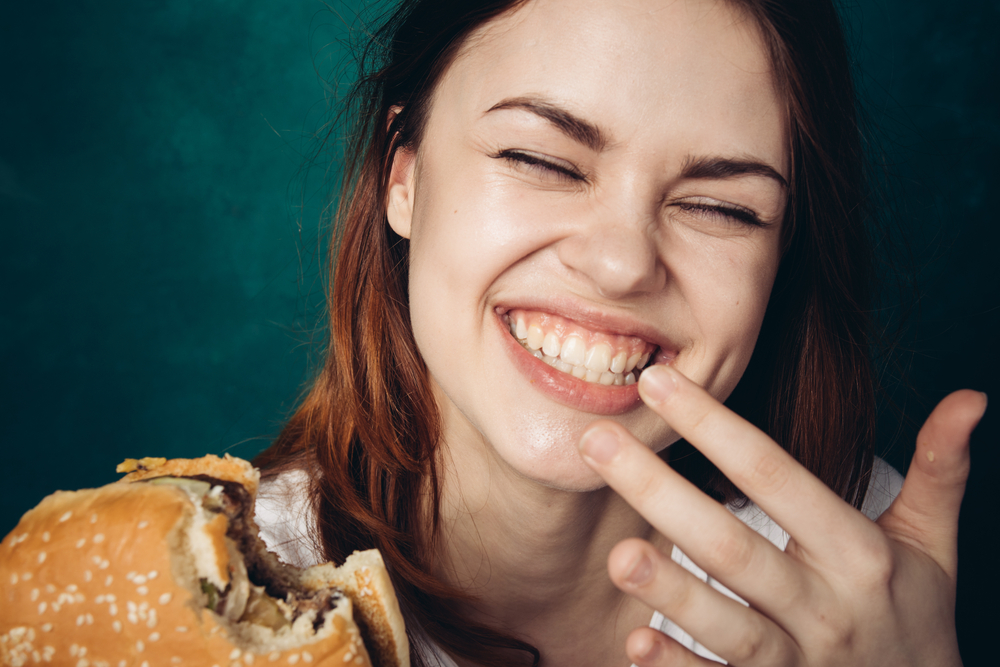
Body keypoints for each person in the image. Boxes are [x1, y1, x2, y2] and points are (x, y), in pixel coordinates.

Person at [251, 0, 987, 665]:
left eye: (723, 209)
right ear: (401, 177)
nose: (621, 264)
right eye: (539, 160)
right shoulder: (216, 581)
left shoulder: (863, 571)